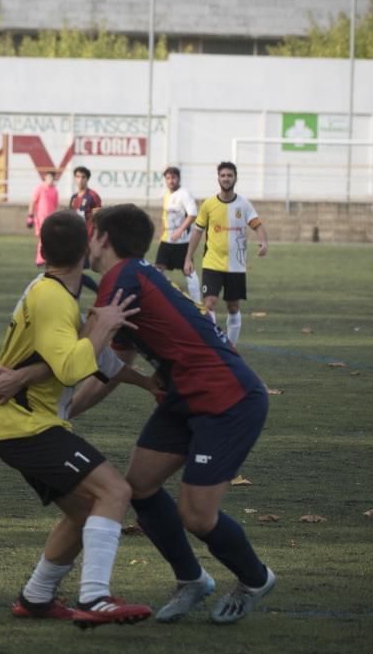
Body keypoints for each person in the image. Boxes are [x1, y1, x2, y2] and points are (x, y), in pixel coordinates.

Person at [81, 203, 275, 625]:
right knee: (140, 486)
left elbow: (89, 360)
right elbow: (111, 369)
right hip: (183, 395)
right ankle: (192, 579)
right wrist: (67, 412)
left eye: (90, 231)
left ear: (103, 239)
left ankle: (255, 579)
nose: (87, 238)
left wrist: (56, 405)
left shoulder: (120, 281)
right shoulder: (127, 278)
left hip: (228, 399)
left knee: (197, 515)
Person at [0, 209, 153, 628]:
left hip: (21, 425)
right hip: (29, 427)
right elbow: (73, 367)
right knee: (115, 491)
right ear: (86, 247)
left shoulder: (55, 290)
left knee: (86, 512)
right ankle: (95, 598)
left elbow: (87, 356)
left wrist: (146, 383)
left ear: (41, 248)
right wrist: (104, 327)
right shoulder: (53, 298)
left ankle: (36, 598)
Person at [183, 162, 269, 346]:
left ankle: (231, 348)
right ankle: (214, 346)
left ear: (235, 178)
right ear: (218, 178)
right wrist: (188, 257)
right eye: (223, 175)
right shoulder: (209, 204)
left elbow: (258, 225)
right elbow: (197, 232)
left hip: (236, 265)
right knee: (210, 303)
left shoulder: (244, 204)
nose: (226, 179)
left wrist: (263, 241)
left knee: (233, 306)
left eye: (230, 175)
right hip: (212, 263)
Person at [156, 166, 202, 303]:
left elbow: (193, 214)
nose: (171, 181)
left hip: (182, 241)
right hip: (167, 240)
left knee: (188, 271)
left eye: (173, 178)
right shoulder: (166, 195)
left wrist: (180, 230)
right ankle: (162, 298)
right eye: (168, 178)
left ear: (178, 179)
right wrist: (162, 234)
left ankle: (197, 302)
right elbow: (165, 217)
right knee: (158, 270)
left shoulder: (184, 194)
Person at [27, 171, 59, 267]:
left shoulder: (55, 190)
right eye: (48, 178)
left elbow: (55, 205)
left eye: (52, 178)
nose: (50, 180)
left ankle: (48, 257)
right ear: (45, 178)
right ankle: (40, 259)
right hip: (40, 218)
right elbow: (33, 201)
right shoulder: (40, 188)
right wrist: (30, 216)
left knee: (50, 238)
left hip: (50, 218)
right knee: (42, 237)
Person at [68, 166, 102, 238]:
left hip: (89, 236)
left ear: (87, 179)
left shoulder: (93, 196)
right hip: (75, 235)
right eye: (78, 177)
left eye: (83, 177)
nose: (80, 180)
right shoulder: (73, 197)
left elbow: (99, 217)